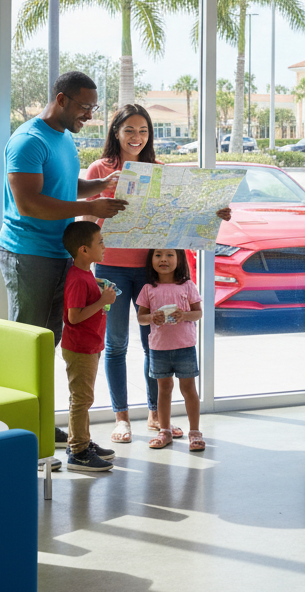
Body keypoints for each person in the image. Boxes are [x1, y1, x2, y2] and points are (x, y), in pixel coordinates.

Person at [0, 70, 128, 455]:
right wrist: (89, 207)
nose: (89, 114)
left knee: (50, 340)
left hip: (59, 253)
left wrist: (102, 186)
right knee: (30, 342)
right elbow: (29, 202)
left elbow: (65, 187)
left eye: (93, 107)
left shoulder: (65, 139)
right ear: (61, 99)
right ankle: (22, 428)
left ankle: (39, 421)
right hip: (27, 252)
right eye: (85, 106)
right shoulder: (28, 141)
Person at [85, 103, 230, 445]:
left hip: (153, 271)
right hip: (111, 268)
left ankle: (155, 414)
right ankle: (122, 418)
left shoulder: (160, 170)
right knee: (116, 344)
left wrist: (215, 213)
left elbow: (182, 218)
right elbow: (85, 221)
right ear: (116, 132)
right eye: (129, 130)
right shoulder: (100, 169)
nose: (136, 137)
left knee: (155, 343)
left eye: (143, 131)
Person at [61, 221, 117, 472]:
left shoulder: (86, 275)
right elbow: (73, 317)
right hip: (80, 347)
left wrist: (101, 295)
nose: (105, 246)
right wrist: (102, 301)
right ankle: (79, 452)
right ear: (84, 250)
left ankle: (79, 441)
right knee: (82, 399)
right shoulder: (77, 279)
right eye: (100, 242)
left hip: (90, 344)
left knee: (82, 398)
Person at [136, 249, 205, 452]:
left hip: (185, 346)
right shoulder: (148, 288)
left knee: (188, 389)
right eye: (158, 255)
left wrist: (183, 315)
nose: (163, 259)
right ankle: (164, 430)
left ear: (179, 258)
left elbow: (198, 313)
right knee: (163, 390)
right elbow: (141, 318)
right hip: (158, 348)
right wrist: (151, 318)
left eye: (169, 255)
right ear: (151, 260)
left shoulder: (187, 285)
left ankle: (195, 432)